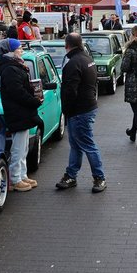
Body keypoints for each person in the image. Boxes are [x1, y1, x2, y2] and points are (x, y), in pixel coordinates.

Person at [57, 32, 107, 192]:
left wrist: (66, 110)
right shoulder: (87, 59)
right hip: (87, 107)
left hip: (79, 110)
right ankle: (71, 175)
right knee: (76, 144)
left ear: (67, 45)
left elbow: (70, 91)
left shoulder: (73, 63)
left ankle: (99, 178)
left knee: (86, 144)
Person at [0, 38, 43, 191]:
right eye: (19, 48)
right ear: (11, 52)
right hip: (18, 113)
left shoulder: (14, 66)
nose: (21, 50)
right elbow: (18, 92)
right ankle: (15, 179)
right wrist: (34, 101)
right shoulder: (10, 69)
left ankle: (22, 175)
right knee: (18, 148)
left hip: (22, 113)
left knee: (23, 148)